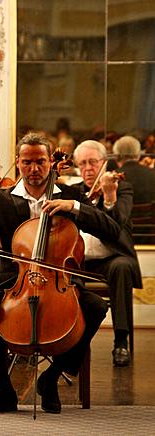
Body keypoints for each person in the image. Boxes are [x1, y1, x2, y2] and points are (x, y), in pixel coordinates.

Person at [0, 132, 119, 415]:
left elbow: (111, 230)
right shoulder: (1, 199)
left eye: (40, 161)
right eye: (27, 162)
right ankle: (4, 390)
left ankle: (50, 379)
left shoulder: (70, 195)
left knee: (97, 308)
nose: (34, 168)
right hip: (15, 284)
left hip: (60, 283)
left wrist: (74, 208)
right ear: (18, 163)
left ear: (49, 162)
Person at [73, 140, 142, 367]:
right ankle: (70, 341)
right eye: (82, 164)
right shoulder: (74, 193)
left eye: (93, 162)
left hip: (111, 258)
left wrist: (109, 197)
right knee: (62, 271)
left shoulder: (122, 188)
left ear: (104, 163)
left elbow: (117, 225)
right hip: (80, 260)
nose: (88, 168)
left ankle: (121, 341)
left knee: (121, 267)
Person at [113, 135, 155, 204]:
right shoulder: (153, 173)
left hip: (125, 214)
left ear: (116, 157)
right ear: (138, 155)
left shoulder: (112, 179)